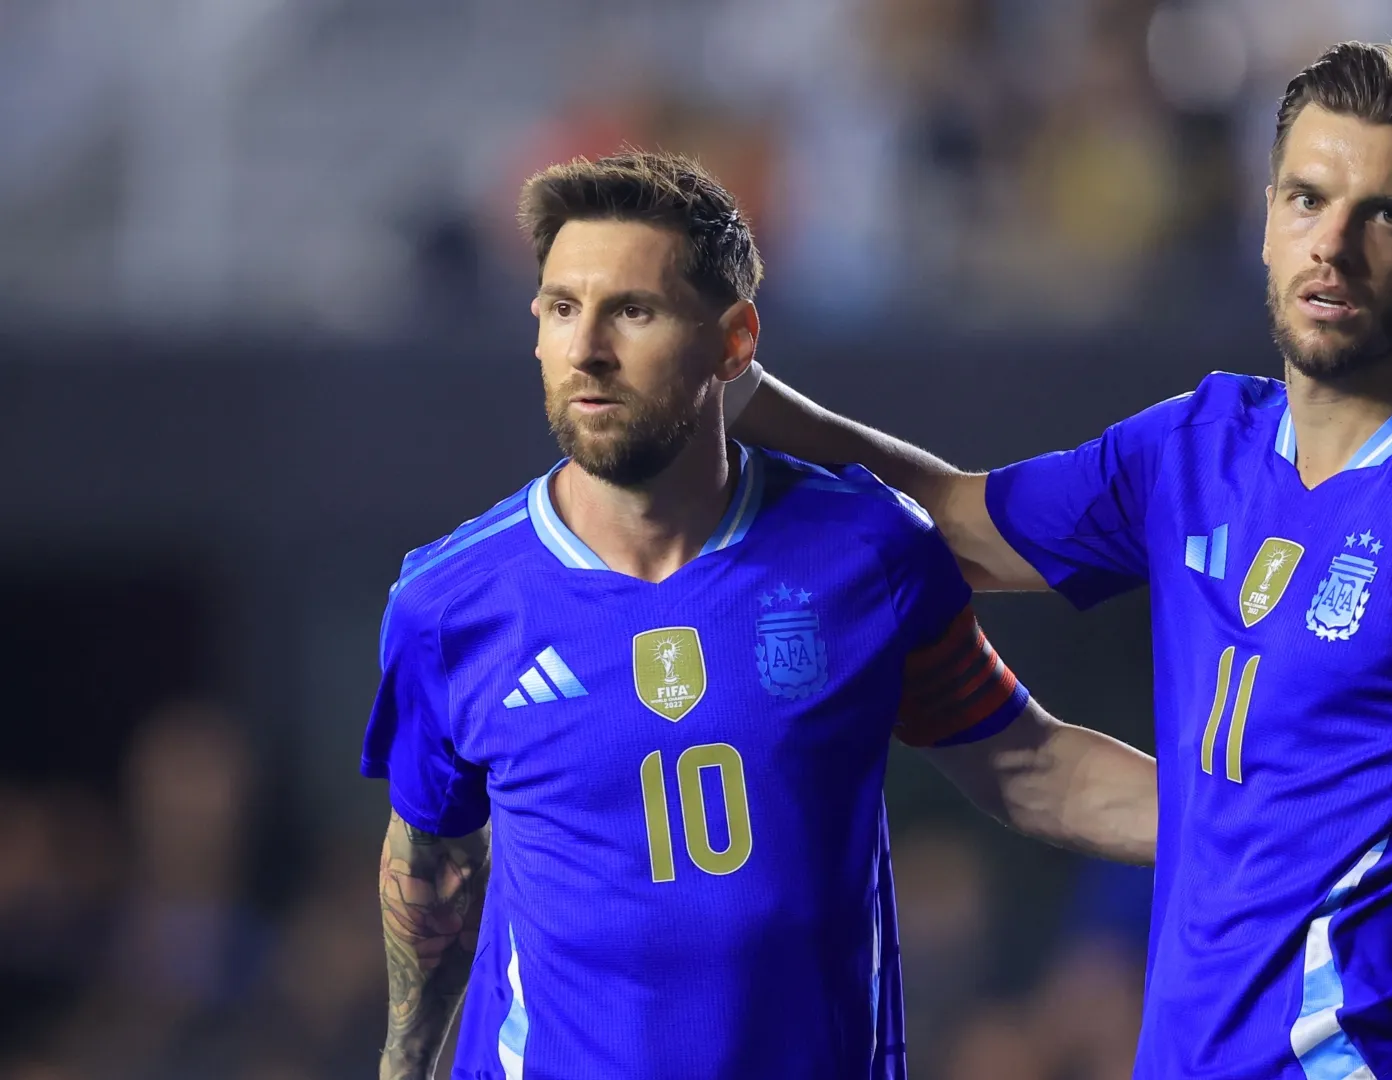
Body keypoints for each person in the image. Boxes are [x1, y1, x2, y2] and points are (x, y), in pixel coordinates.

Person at [732, 42, 1392, 1080]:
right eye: (1308, 199)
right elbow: (956, 520)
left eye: (1387, 215)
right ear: (1266, 215)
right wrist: (734, 387)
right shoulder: (1198, 444)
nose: (1335, 244)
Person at [362, 150, 1157, 1080]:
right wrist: (403, 1065)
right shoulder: (448, 604)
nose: (587, 349)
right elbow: (435, 864)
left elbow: (1028, 767)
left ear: (734, 343)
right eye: (561, 307)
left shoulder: (863, 553)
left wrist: (1282, 822)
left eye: (633, 310)